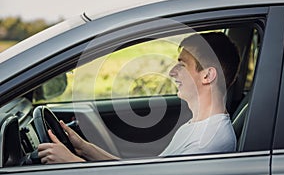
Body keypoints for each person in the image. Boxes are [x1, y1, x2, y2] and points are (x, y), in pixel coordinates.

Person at [38, 32, 240, 164]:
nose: (171, 72)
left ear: (207, 75)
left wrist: (72, 163)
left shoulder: (207, 143)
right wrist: (84, 148)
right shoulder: (196, 127)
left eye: (181, 64)